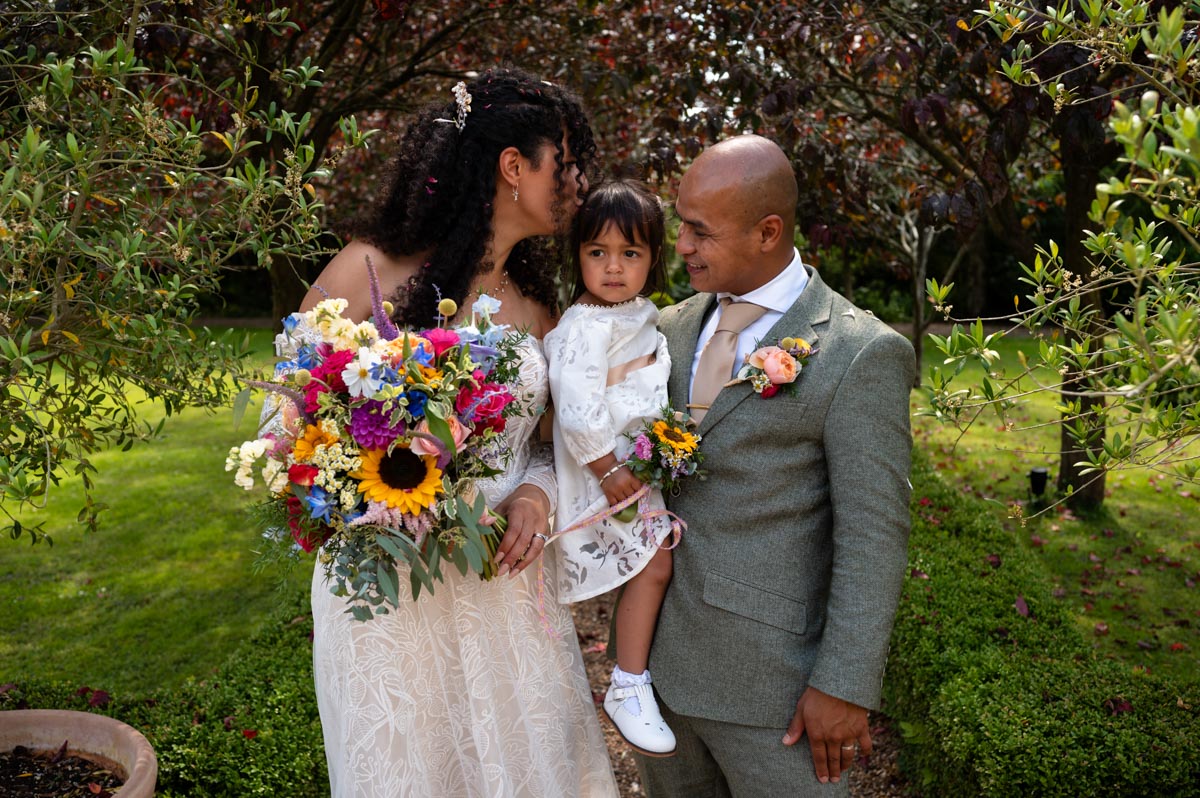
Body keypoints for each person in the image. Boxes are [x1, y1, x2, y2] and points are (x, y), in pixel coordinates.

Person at [281, 68, 619, 798]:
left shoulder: (537, 305)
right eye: (564, 163)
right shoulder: (366, 271)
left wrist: (535, 495)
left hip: (505, 587)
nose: (580, 183)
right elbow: (284, 423)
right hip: (386, 594)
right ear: (513, 167)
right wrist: (367, 486)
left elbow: (549, 443)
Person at [635, 135, 915, 796]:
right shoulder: (666, 329)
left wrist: (844, 686)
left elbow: (874, 535)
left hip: (776, 694)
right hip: (655, 678)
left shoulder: (859, 353)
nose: (680, 245)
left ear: (768, 232)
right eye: (680, 224)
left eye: (700, 231)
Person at [543, 180, 677, 758]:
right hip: (606, 472)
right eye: (598, 252)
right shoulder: (584, 325)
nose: (614, 267)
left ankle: (632, 678)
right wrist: (605, 468)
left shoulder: (636, 311)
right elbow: (575, 406)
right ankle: (627, 684)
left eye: (630, 253)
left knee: (655, 565)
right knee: (654, 566)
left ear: (653, 257)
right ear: (577, 255)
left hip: (632, 467)